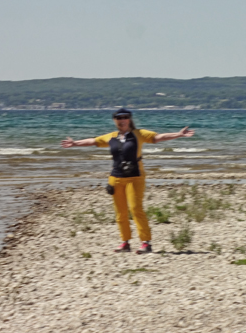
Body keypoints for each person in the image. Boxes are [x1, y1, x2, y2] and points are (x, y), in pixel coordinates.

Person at [61, 108, 195, 254]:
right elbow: (93, 141)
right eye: (119, 118)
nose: (122, 120)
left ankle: (146, 242)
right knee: (120, 212)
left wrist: (179, 135)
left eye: (125, 117)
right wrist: (74, 143)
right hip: (116, 177)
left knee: (136, 209)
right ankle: (125, 242)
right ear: (115, 120)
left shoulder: (139, 134)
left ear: (129, 119)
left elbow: (157, 138)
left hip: (135, 176)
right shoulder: (111, 136)